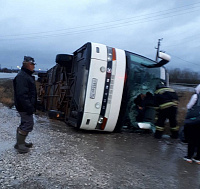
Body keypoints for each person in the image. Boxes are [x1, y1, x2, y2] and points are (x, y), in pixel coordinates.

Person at [13, 56, 37, 153]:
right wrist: (29, 107)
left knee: (25, 123)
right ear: (27, 65)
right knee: (28, 123)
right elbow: (22, 94)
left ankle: (20, 143)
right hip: (24, 106)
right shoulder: (22, 77)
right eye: (32, 64)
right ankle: (20, 145)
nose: (34, 66)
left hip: (25, 105)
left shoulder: (25, 75)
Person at [183, 84, 200, 164]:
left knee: (191, 139)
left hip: (194, 121)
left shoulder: (196, 96)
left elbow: (189, 106)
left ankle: (189, 157)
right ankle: (198, 158)